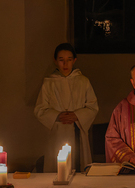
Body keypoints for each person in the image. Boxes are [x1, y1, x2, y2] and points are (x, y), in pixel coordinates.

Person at [34, 43, 98, 172]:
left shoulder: (83, 81)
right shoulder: (49, 82)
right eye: (61, 60)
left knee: (79, 165)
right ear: (55, 61)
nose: (65, 64)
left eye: (69, 60)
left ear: (74, 60)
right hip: (58, 132)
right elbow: (40, 109)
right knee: (58, 169)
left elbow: (93, 106)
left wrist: (77, 115)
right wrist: (56, 116)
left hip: (77, 130)